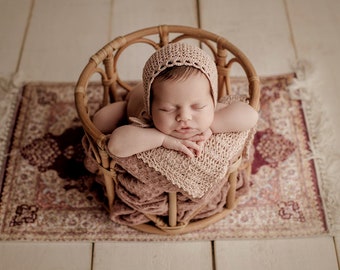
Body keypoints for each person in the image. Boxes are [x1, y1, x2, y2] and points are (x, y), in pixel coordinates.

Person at [93, 43, 258, 158]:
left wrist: (212, 125)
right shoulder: (146, 119)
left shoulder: (210, 110)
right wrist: (162, 139)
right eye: (167, 109)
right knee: (99, 121)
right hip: (132, 98)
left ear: (213, 101)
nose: (184, 117)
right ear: (151, 109)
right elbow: (115, 145)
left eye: (198, 107)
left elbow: (250, 116)